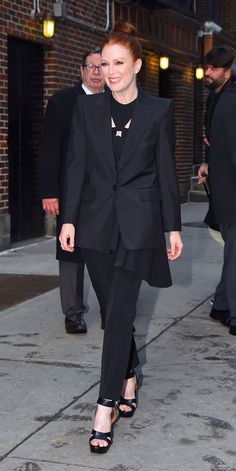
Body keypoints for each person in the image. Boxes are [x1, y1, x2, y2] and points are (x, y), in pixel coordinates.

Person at [59, 21, 183, 453]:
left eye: (118, 63)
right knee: (113, 311)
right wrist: (69, 219)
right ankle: (129, 374)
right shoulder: (87, 109)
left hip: (138, 226)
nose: (109, 72)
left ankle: (104, 403)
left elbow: (165, 172)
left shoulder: (159, 110)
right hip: (93, 223)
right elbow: (75, 166)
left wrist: (171, 225)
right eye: (104, 64)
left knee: (121, 309)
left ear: (136, 65)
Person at [39, 48, 105, 334]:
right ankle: (73, 313)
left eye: (100, 66)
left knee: (108, 251)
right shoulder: (62, 102)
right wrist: (49, 191)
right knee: (70, 252)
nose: (95, 72)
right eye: (90, 66)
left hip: (106, 193)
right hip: (71, 191)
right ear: (81, 71)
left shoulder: (118, 100)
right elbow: (49, 150)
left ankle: (112, 310)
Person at [198, 46, 236, 335]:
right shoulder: (224, 99)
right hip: (230, 194)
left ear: (228, 70)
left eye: (214, 68)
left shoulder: (224, 99)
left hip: (227, 191)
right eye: (207, 67)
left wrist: (208, 163)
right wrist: (208, 163)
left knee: (233, 255)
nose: (207, 72)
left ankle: (222, 305)